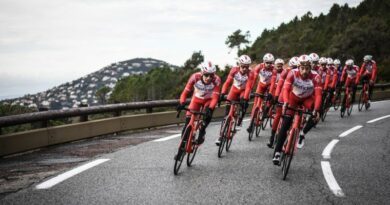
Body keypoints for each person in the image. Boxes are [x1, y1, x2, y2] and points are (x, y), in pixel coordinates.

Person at [273, 54, 322, 165]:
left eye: (307, 69)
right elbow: (285, 89)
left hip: (307, 99)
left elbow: (318, 95)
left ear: (311, 68)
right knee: (286, 123)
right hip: (293, 98)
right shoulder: (292, 73)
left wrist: (316, 110)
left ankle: (302, 133)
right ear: (298, 67)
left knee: (317, 113)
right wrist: (285, 102)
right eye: (302, 68)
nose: (305, 71)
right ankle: (277, 152)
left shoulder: (316, 77)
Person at [177, 61, 221, 145]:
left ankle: (202, 131)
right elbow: (185, 93)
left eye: (211, 75)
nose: (209, 78)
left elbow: (215, 97)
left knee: (207, 116)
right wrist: (182, 103)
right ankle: (182, 148)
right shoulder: (194, 77)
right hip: (196, 99)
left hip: (208, 101)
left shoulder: (217, 80)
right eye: (206, 75)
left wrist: (210, 109)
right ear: (201, 73)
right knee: (187, 124)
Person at [215, 55, 253, 146]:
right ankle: (221, 136)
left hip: (244, 91)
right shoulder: (234, 70)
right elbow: (227, 82)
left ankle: (240, 119)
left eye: (247, 67)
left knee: (244, 101)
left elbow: (248, 87)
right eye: (243, 66)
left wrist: (245, 98)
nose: (244, 68)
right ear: (239, 64)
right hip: (234, 89)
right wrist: (223, 93)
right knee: (226, 114)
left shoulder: (251, 73)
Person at [267, 57, 297, 148]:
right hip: (284, 94)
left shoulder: (302, 74)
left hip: (295, 96)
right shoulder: (286, 72)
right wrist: (276, 96)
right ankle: (272, 137)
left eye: (296, 67)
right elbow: (279, 85)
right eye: (293, 67)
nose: (294, 69)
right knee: (278, 115)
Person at [246, 53, 276, 133]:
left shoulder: (274, 70)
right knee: (256, 104)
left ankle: (266, 111)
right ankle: (251, 124)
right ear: (264, 62)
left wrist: (270, 93)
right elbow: (254, 78)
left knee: (270, 97)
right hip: (261, 85)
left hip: (269, 86)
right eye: (267, 62)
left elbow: (273, 82)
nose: (269, 64)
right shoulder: (259, 67)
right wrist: (251, 90)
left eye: (271, 63)